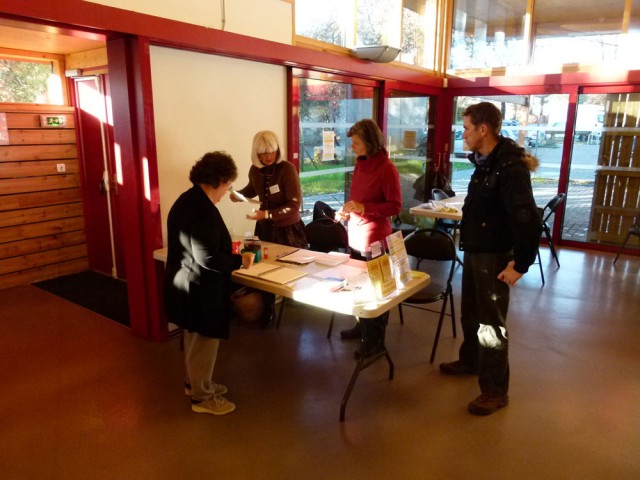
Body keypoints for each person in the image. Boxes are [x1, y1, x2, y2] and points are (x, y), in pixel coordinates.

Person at [439, 102, 541, 416]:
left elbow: (527, 218)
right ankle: (471, 361)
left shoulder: (509, 168)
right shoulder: (486, 163)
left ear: (484, 129)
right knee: (471, 314)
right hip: (476, 251)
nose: (463, 134)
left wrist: (520, 265)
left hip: (495, 257)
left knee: (491, 327)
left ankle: (495, 391)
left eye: (467, 128)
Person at [164, 151, 243, 416]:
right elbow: (208, 257)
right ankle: (202, 398)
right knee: (204, 341)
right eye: (228, 185)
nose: (226, 191)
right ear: (219, 180)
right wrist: (238, 261)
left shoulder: (187, 200)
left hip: (185, 283)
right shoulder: (203, 210)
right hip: (200, 289)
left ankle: (195, 383)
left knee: (194, 338)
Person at [335, 119, 402, 353]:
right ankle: (362, 325)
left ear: (370, 143)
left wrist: (365, 208)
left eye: (356, 143)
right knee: (358, 285)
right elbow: (359, 199)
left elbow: (395, 206)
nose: (352, 147)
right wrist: (349, 209)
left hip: (376, 239)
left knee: (377, 290)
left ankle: (375, 339)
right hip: (356, 235)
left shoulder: (387, 168)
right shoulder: (360, 164)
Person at [231, 131, 307, 327]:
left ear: (277, 150)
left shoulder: (287, 169)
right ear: (256, 153)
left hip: (287, 228)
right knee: (262, 268)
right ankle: (268, 310)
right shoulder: (255, 170)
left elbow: (294, 205)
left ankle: (293, 299)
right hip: (265, 227)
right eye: (263, 153)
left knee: (288, 269)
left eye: (271, 151)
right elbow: (252, 188)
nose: (267, 157)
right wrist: (237, 194)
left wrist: (267, 214)